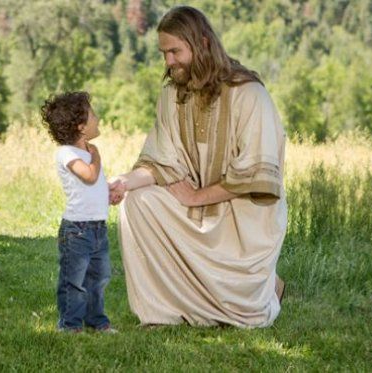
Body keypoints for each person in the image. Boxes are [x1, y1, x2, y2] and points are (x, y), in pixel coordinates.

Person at [108, 5, 287, 328]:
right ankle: (166, 311)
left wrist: (195, 197)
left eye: (175, 51)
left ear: (202, 44)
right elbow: (160, 162)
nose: (169, 62)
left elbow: (255, 178)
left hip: (243, 218)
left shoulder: (250, 95)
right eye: (164, 53)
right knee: (137, 203)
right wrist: (123, 182)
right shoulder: (172, 96)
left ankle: (264, 288)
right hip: (196, 211)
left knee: (250, 319)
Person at [41, 91, 117, 334]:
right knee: (74, 281)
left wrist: (109, 194)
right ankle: (70, 324)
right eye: (93, 115)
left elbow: (94, 185)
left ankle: (97, 321)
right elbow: (88, 175)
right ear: (81, 126)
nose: (98, 118)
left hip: (97, 228)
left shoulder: (87, 153)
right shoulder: (67, 153)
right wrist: (97, 157)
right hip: (77, 230)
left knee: (98, 278)